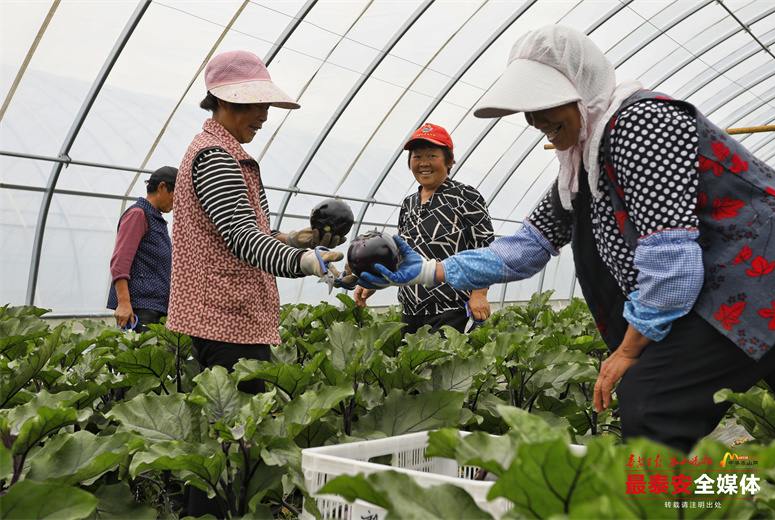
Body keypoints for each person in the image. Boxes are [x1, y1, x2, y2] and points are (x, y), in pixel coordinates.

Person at [358, 25, 775, 454]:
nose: (534, 120)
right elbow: (524, 248)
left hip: (756, 284)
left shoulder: (642, 123)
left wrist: (629, 351)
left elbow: (671, 260)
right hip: (740, 295)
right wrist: (430, 270)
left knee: (651, 403)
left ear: (583, 87)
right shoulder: (582, 165)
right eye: (527, 109)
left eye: (544, 103)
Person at [164, 50, 353, 516]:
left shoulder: (223, 153)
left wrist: (291, 238)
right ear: (225, 102)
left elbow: (238, 231)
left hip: (228, 316)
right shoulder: (215, 157)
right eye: (256, 106)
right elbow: (244, 241)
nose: (264, 117)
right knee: (232, 450)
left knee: (226, 446)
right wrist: (308, 262)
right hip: (226, 319)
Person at [354, 123, 494, 334]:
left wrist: (480, 293)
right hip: (410, 309)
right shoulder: (408, 204)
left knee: (441, 366)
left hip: (452, 308)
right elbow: (402, 254)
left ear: (449, 160)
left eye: (431, 155)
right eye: (417, 157)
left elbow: (486, 248)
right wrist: (377, 281)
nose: (423, 163)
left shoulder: (465, 196)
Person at [107, 166, 177, 333]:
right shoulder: (138, 214)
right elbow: (120, 262)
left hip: (156, 306)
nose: (178, 203)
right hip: (141, 308)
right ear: (162, 188)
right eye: (177, 195)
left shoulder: (156, 219)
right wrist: (124, 303)